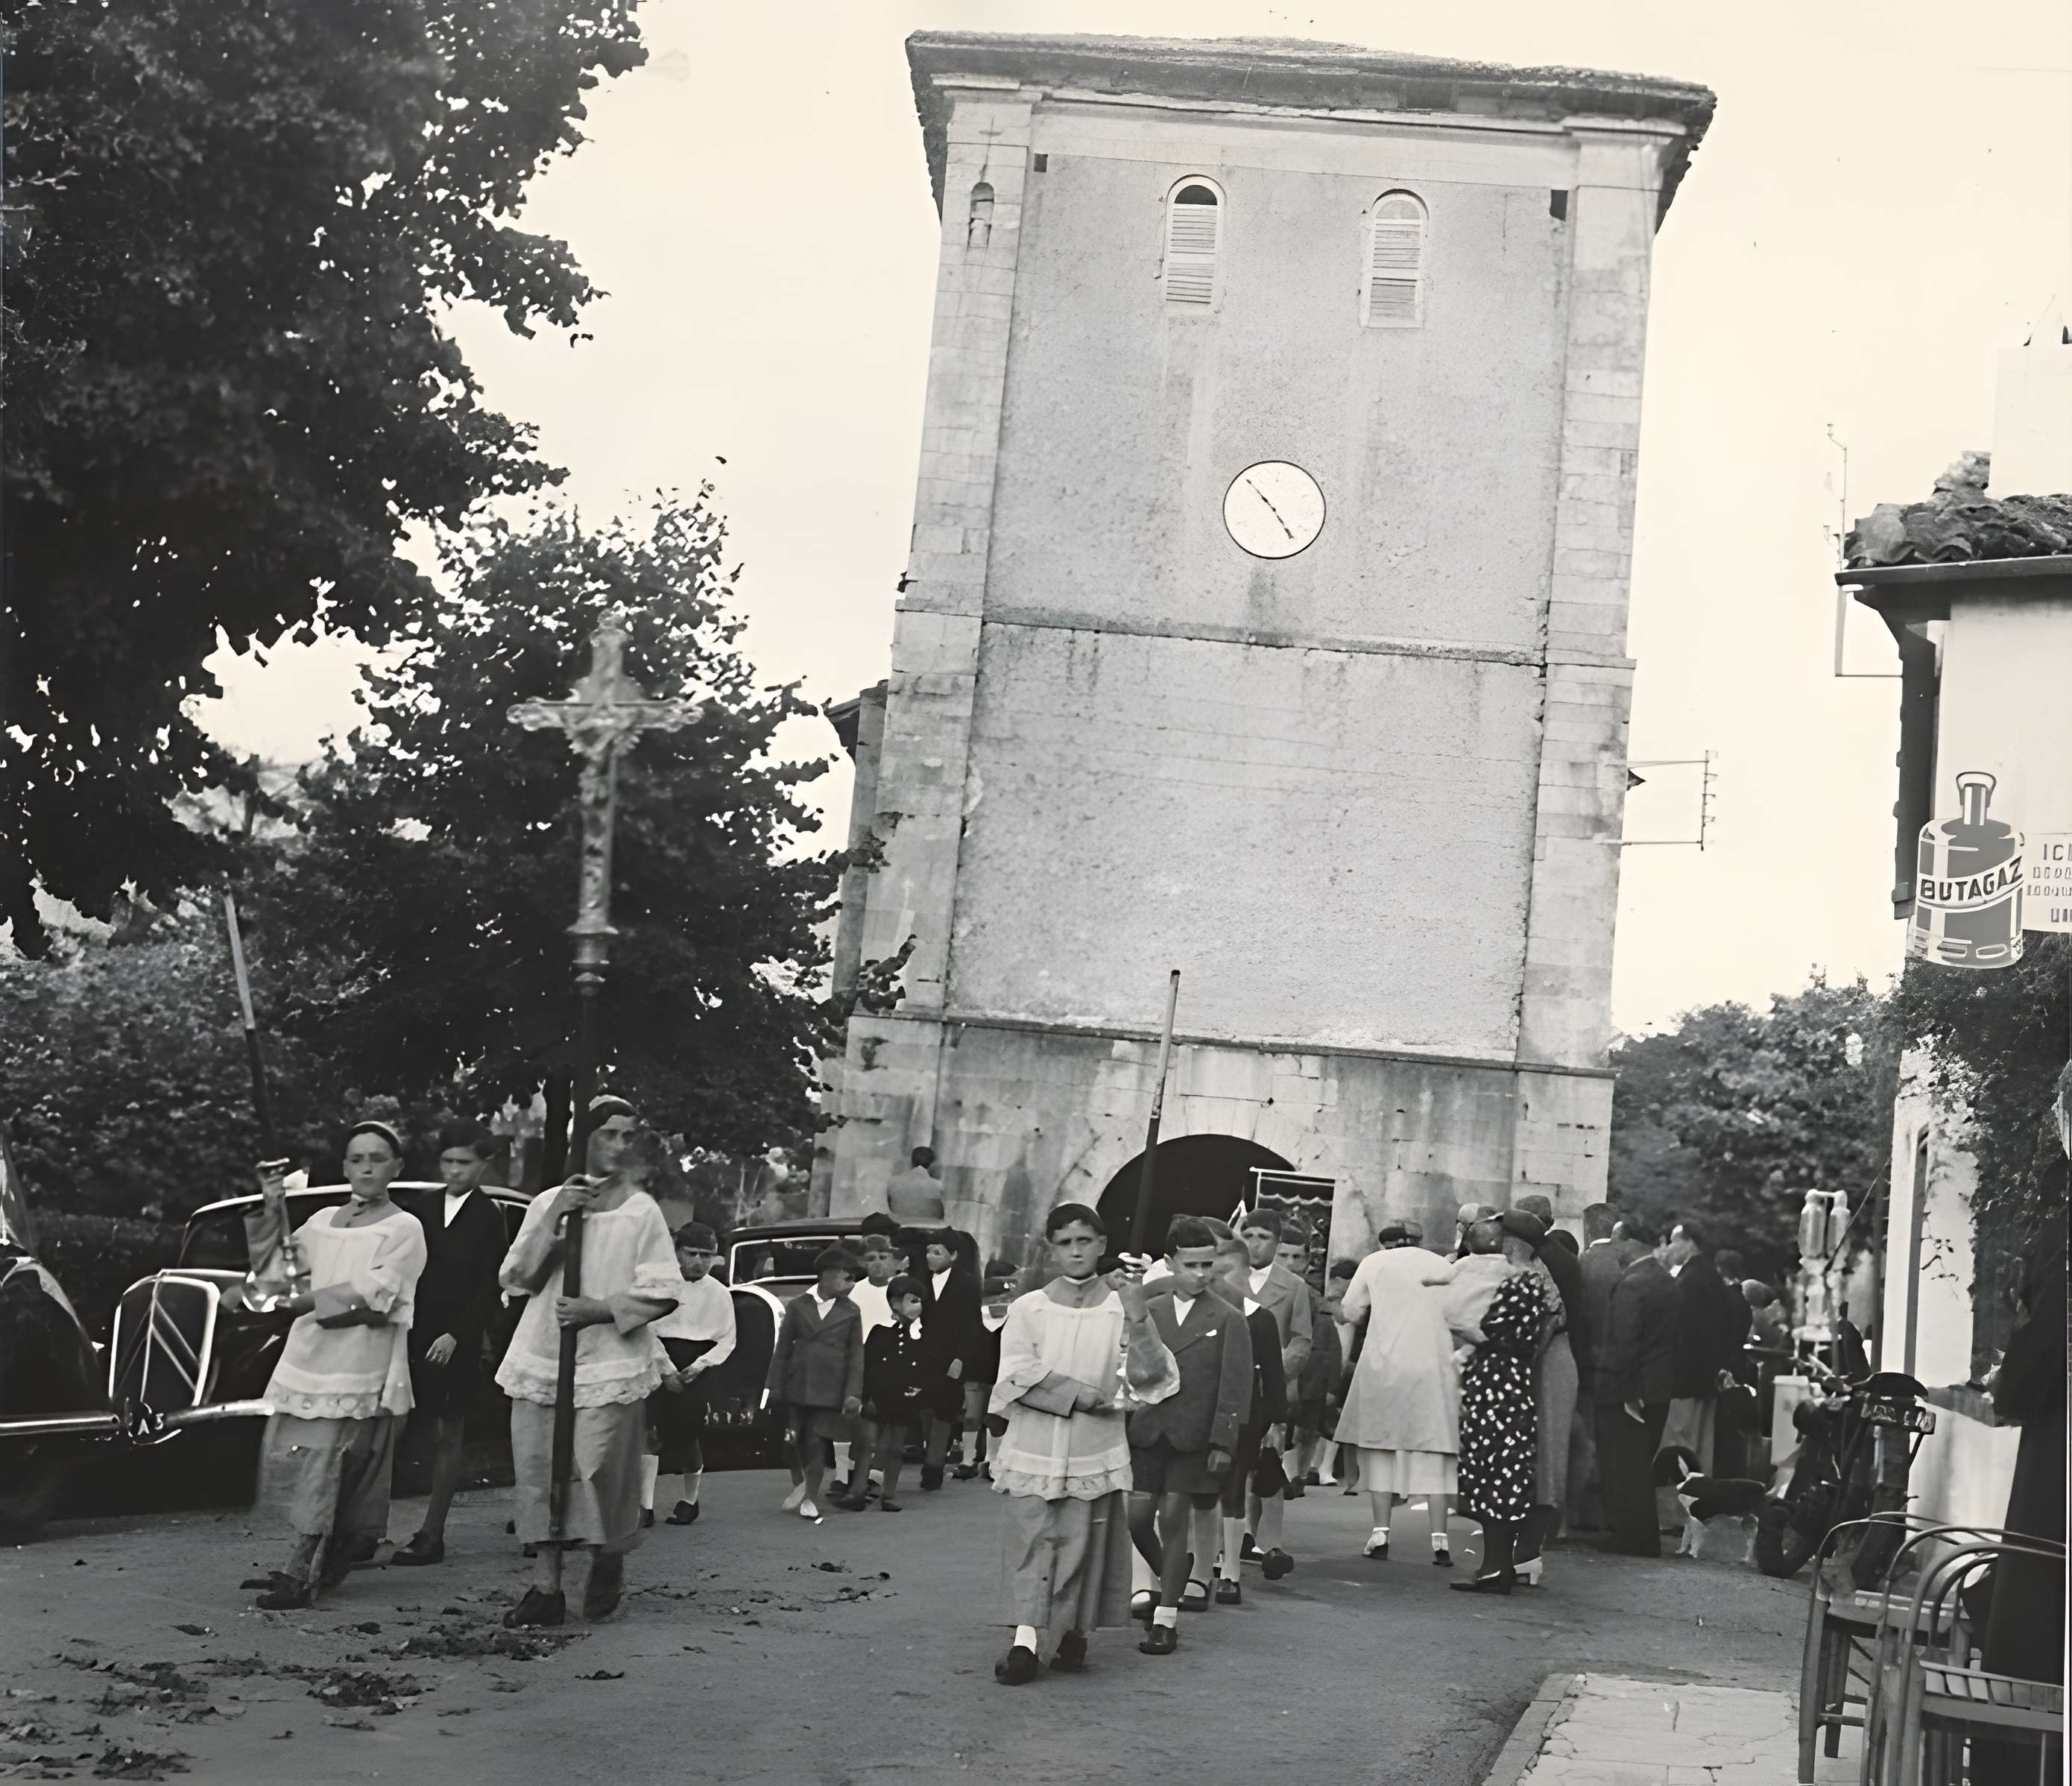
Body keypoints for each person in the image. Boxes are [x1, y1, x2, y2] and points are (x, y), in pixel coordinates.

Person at [496, 1097, 682, 1627]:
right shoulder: (549, 1203)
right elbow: (516, 1278)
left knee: (596, 1469)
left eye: (627, 1136)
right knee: (540, 1469)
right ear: (585, 1139)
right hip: (544, 1354)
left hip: (609, 1360)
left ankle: (608, 1555)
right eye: (609, 1134)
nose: (619, 1146)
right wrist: (556, 1220)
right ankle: (546, 1587)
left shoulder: (640, 1211)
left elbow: (664, 1290)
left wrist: (600, 1310)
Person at [988, 1202, 1175, 1686]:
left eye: (1085, 1241)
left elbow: (1153, 1379)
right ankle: (1025, 1641)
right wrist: (1077, 1395)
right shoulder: (1029, 1308)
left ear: (1102, 1245)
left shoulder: (1122, 1308)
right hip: (1034, 1444)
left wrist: (1138, 1319)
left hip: (1094, 1449)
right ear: (1052, 1249)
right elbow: (1015, 1373)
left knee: (1080, 1543)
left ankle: (1074, 1631)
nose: (1076, 1251)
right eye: (1066, 1242)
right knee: (1031, 1540)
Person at [250, 1120, 429, 1610]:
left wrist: (306, 1302)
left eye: (377, 1158)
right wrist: (272, 1203)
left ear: (397, 1167)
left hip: (359, 1357)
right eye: (356, 1158)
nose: (366, 1167)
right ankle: (321, 1556)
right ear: (344, 1166)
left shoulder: (404, 1227)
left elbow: (379, 1292)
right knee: (301, 1458)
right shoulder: (322, 1221)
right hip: (308, 1355)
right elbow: (278, 1273)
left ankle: (302, 1571)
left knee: (329, 1463)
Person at [1125, 1216, 1251, 1656]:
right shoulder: (1148, 1309)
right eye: (1190, 1265)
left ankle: (1166, 1620)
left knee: (1176, 1516)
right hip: (1145, 1430)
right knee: (1137, 1518)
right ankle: (1172, 1582)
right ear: (1169, 1263)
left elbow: (1235, 1387)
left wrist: (1224, 1441)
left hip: (1192, 1436)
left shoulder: (1229, 1317)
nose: (1201, 1274)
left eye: (1208, 1264)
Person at [392, 1120, 508, 1568]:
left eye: (464, 1162)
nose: (454, 1170)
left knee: (448, 1431)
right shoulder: (420, 1207)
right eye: (448, 1161)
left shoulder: (488, 1216)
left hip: (454, 1337)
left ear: (483, 1165)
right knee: (395, 1429)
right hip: (411, 1329)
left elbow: (488, 1285)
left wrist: (458, 1333)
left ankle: (432, 1534)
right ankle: (364, 1531)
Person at [1338, 1222, 1460, 1565]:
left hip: (1385, 1362)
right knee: (1437, 1449)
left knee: (1380, 1447)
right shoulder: (1441, 1265)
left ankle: (1380, 1533)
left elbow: (1351, 1311)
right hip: (1432, 1363)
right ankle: (1440, 1540)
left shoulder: (1373, 1263)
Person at [1446, 1214, 1544, 1596]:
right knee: (1499, 1477)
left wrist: (1458, 1325)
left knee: (1495, 1477)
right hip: (1506, 1388)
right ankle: (1495, 1566)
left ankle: (1495, 1568)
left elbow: (1498, 1335)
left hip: (1498, 1390)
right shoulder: (1528, 1282)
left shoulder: (1521, 1283)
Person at [1592, 1212, 1680, 1559]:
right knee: (1639, 1464)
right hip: (1657, 1385)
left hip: (1630, 1390)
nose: (1615, 1247)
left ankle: (1630, 1537)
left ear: (1630, 1242)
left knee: (1624, 1464)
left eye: (1618, 1240)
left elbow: (1623, 1343)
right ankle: (1640, 1536)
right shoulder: (1662, 1280)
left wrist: (1626, 1392)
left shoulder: (1633, 1283)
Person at [1209, 1228, 1289, 1595]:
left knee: (1235, 1486)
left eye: (1225, 1271)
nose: (1216, 1278)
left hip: (1246, 1414)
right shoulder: (1204, 1312)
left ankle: (1232, 1571)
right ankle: (1202, 1558)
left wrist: (1275, 1424)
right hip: (1203, 1409)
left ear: (1244, 1274)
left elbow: (1274, 1376)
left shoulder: (1261, 1318)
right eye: (1212, 1269)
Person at [765, 1246, 866, 1524]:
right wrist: (773, 1385)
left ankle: (810, 1496)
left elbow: (857, 1355)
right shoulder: (798, 1306)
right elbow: (782, 1348)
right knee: (791, 1440)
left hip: (831, 1388)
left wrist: (853, 1393)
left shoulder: (851, 1311)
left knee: (817, 1440)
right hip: (798, 1383)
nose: (852, 1284)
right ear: (827, 1275)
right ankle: (800, 1483)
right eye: (847, 1278)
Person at [646, 1221, 735, 1527]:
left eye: (707, 1255)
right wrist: (666, 1369)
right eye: (692, 1254)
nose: (699, 1262)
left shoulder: (720, 1294)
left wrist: (699, 1366)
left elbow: (727, 1339)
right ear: (677, 1252)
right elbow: (645, 1330)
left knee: (688, 1438)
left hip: (697, 1368)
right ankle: (644, 1505)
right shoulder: (659, 1287)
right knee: (648, 1433)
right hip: (658, 1362)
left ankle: (689, 1500)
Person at [1660, 1219, 1749, 1476]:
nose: (1669, 1248)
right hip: (1704, 1378)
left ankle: (1682, 1502)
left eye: (1674, 1241)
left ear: (1689, 1243)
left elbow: (1683, 1334)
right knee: (1700, 1446)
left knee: (1679, 1444)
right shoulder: (1709, 1277)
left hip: (1684, 1379)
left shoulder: (1690, 1281)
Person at [840, 1274, 926, 1512]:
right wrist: (864, 1397)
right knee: (867, 1444)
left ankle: (889, 1494)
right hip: (876, 1399)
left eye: (913, 1300)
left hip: (904, 1400)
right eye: (898, 1300)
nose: (904, 1306)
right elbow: (868, 1367)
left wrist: (918, 1392)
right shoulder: (880, 1332)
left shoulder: (921, 1337)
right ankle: (857, 1491)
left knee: (895, 1448)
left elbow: (926, 1369)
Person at [915, 1228, 982, 1491]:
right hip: (923, 1355)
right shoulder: (919, 1279)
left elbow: (971, 1325)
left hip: (952, 1356)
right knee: (925, 1409)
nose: (931, 1257)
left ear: (953, 1255)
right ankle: (929, 1454)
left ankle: (933, 1466)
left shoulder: (966, 1283)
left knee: (945, 1410)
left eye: (937, 1252)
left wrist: (961, 1358)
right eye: (929, 1252)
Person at [955, 1260, 1016, 1480]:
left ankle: (987, 1460)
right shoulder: (972, 1312)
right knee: (984, 1416)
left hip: (995, 1370)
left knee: (990, 1416)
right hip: (982, 1369)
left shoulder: (1014, 1313)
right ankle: (976, 1460)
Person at [1286, 1276, 1343, 1499]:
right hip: (1291, 1385)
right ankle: (1289, 1475)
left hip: (1314, 1388)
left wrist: (1332, 1389)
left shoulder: (1324, 1323)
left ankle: (1300, 1475)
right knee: (1289, 1435)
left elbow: (1335, 1355)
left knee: (1307, 1434)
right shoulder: (1287, 1319)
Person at [887, 1145, 947, 1222]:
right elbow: (940, 1213)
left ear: (911, 1161)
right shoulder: (938, 1186)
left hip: (899, 1227)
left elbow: (891, 1208)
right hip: (929, 1228)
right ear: (932, 1165)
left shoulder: (892, 1182)